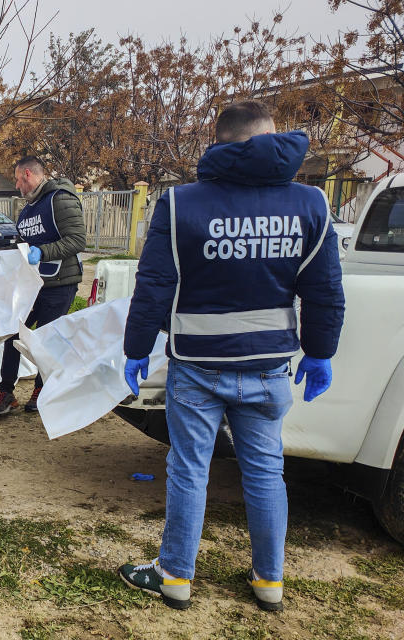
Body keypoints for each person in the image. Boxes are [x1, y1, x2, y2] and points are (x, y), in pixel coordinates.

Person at [118, 101, 345, 611]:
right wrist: (321, 352)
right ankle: (270, 582)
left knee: (190, 469)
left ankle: (175, 576)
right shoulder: (311, 205)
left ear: (220, 143)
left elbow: (154, 284)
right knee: (266, 471)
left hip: (197, 367)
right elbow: (326, 289)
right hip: (269, 367)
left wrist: (135, 349)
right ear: (271, 139)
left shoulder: (181, 205)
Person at [0, 156, 87, 416]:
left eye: (18, 179)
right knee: (13, 335)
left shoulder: (60, 199)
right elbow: (22, 245)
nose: (17, 186)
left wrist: (43, 251)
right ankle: (6, 391)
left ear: (28, 174)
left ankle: (41, 389)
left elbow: (77, 240)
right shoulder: (28, 209)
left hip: (60, 283)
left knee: (46, 341)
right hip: (32, 284)